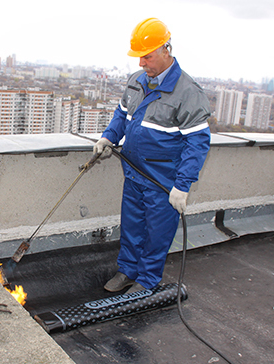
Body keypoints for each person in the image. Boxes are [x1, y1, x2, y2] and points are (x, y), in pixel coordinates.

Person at [93, 18, 211, 294]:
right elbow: (122, 114)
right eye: (139, 57)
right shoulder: (137, 81)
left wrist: (182, 186)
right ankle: (128, 270)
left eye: (146, 56)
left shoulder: (187, 92)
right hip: (134, 173)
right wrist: (109, 136)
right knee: (132, 227)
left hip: (162, 181)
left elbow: (198, 143)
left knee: (157, 233)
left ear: (165, 50)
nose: (141, 63)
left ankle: (146, 280)